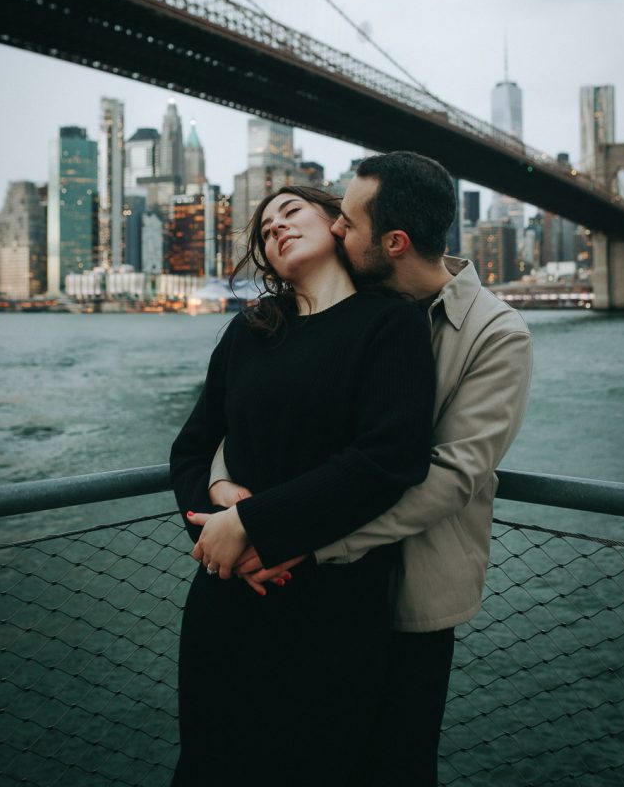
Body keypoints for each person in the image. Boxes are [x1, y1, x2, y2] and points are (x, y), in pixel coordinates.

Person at [210, 152, 533, 786]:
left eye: (348, 223)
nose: (334, 231)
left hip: (411, 593)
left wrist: (304, 541)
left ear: (394, 241)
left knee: (396, 765)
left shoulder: (497, 335)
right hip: (325, 597)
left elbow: (449, 475)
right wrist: (229, 492)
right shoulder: (355, 307)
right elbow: (257, 413)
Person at [168, 184, 436, 787]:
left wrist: (258, 524)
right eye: (265, 231)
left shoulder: (390, 325)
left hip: (332, 604)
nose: (276, 229)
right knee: (209, 765)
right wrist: (219, 510)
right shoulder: (249, 332)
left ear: (338, 224)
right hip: (228, 594)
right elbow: (190, 450)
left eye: (291, 212)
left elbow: (388, 460)